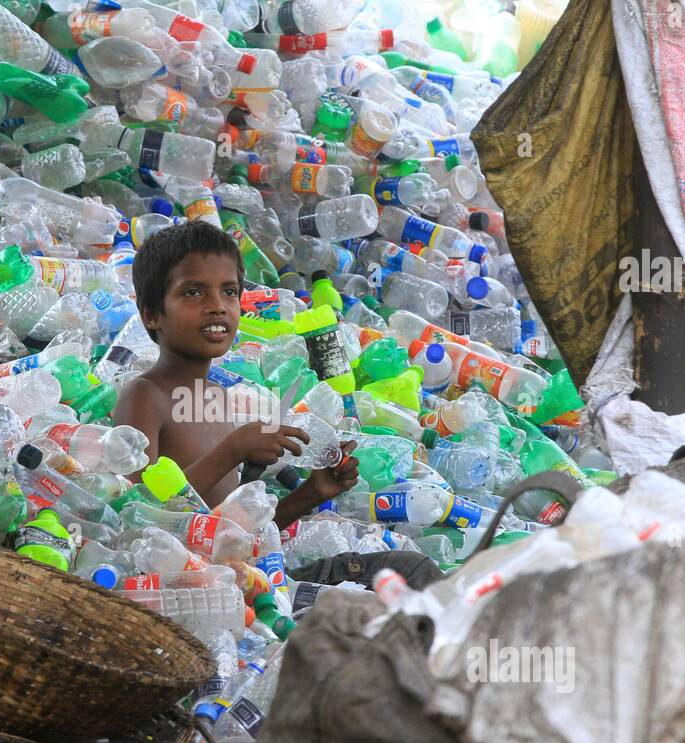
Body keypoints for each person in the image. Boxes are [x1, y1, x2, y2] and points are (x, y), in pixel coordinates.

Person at [113, 220, 444, 590]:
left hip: (246, 581)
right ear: (151, 313)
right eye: (193, 293)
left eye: (229, 292)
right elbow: (134, 520)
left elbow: (235, 534)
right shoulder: (146, 395)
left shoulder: (216, 399)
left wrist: (312, 493)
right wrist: (233, 449)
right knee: (410, 576)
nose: (217, 307)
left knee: (411, 572)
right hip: (197, 593)